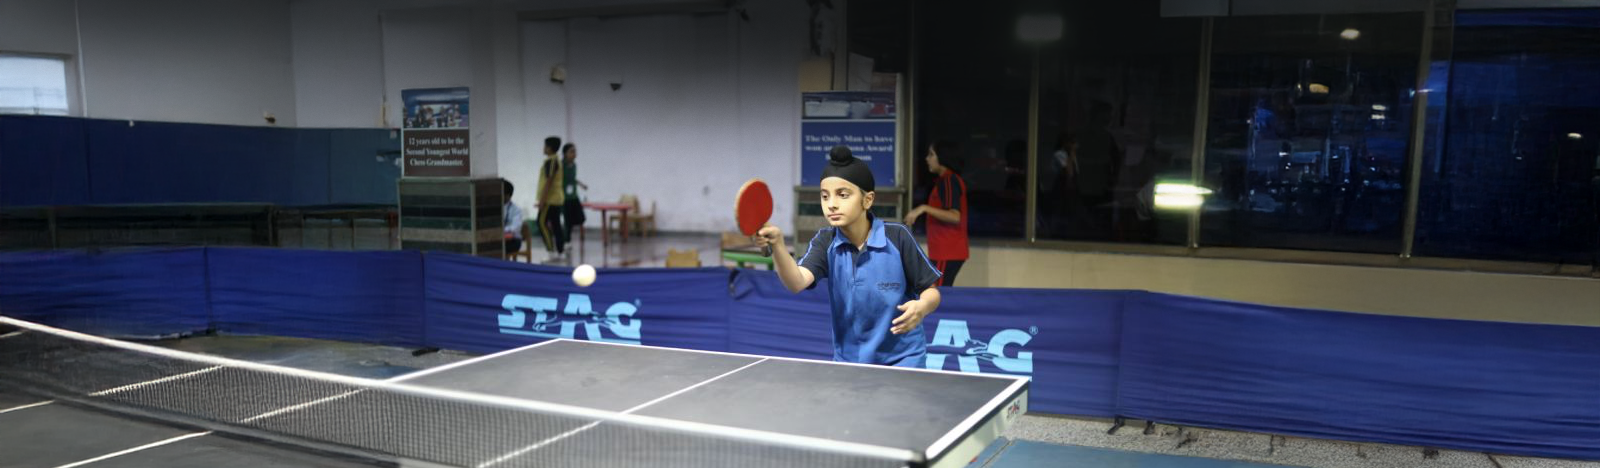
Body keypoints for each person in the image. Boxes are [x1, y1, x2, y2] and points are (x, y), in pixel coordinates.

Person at [754, 145, 944, 368]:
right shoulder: (825, 241)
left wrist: (922, 306)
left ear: (867, 200)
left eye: (843, 195)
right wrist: (778, 246)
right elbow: (796, 282)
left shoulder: (898, 237)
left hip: (903, 359)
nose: (832, 204)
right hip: (850, 361)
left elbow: (931, 291)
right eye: (825, 196)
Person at [905, 140, 968, 286]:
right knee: (935, 292)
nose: (927, 159)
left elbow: (955, 216)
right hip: (942, 252)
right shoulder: (943, 181)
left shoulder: (949, 180)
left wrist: (924, 208)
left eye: (931, 154)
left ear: (943, 157)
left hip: (947, 252)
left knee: (936, 293)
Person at [536, 136, 567, 256]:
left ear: (549, 148)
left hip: (550, 200)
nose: (543, 148)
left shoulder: (551, 161)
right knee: (556, 224)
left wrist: (542, 200)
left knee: (541, 223)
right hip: (555, 199)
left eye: (545, 146)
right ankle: (560, 251)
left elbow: (549, 182)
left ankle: (551, 250)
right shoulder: (553, 160)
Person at [561, 143, 589, 244]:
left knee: (581, 217)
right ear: (565, 153)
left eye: (575, 152)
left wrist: (581, 184)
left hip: (573, 195)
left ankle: (566, 237)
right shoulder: (561, 165)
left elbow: (572, 179)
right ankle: (566, 242)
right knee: (568, 221)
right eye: (571, 152)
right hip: (564, 197)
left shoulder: (574, 165)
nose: (574, 154)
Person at [501, 179, 524, 255]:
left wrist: (500, 231)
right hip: (499, 238)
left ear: (508, 195)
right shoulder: (496, 207)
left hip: (513, 241)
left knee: (499, 247)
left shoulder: (516, 210)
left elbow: (515, 228)